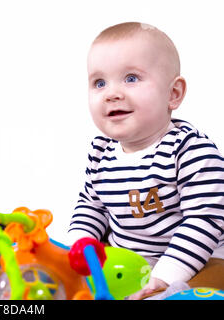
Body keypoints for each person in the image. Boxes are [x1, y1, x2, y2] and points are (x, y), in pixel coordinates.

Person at [68, 22, 224, 299]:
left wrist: (166, 276)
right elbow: (92, 205)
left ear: (173, 94)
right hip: (127, 263)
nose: (111, 93)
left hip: (196, 261)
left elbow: (205, 220)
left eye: (131, 78)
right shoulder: (101, 151)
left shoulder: (190, 150)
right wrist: (79, 247)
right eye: (99, 83)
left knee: (209, 285)